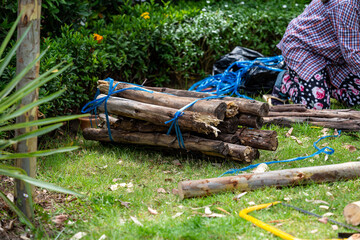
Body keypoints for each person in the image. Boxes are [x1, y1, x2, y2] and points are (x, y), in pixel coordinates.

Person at [271, 0, 360, 109]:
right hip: (304, 47)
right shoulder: (346, 5)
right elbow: (352, 53)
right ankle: (285, 82)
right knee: (318, 107)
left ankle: (321, 84)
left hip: (333, 53)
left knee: (357, 97)